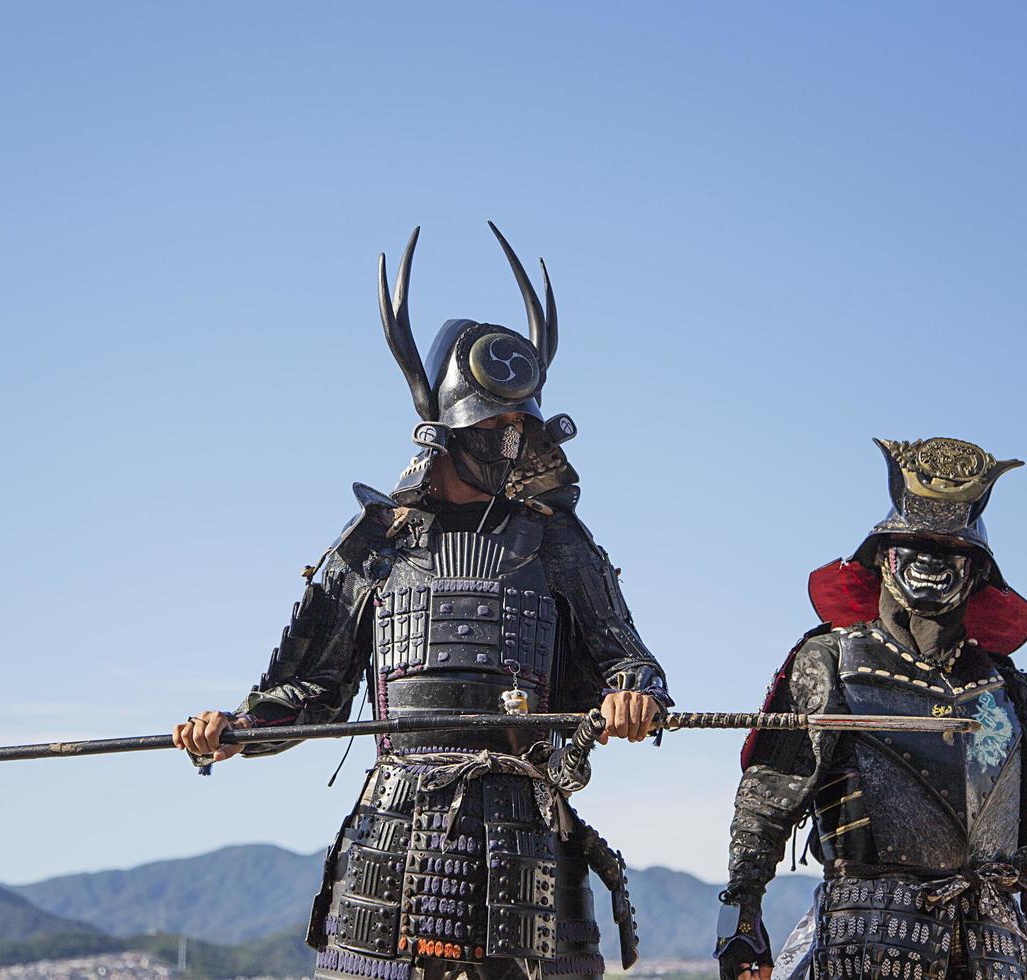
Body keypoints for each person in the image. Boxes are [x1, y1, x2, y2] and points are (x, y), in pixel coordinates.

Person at [175, 224, 670, 980]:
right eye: (493, 425)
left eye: (519, 425)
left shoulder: (559, 540)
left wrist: (631, 699)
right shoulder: (375, 540)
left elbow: (628, 661)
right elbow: (306, 692)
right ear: (445, 428)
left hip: (528, 853)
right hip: (393, 848)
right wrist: (236, 730)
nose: (509, 441)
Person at [715, 437, 1027, 980]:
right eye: (914, 544)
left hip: (996, 947)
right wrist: (740, 913)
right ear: (882, 557)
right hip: (865, 938)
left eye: (952, 551)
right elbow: (770, 794)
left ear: (977, 572)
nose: (932, 560)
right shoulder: (830, 658)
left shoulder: (1003, 685)